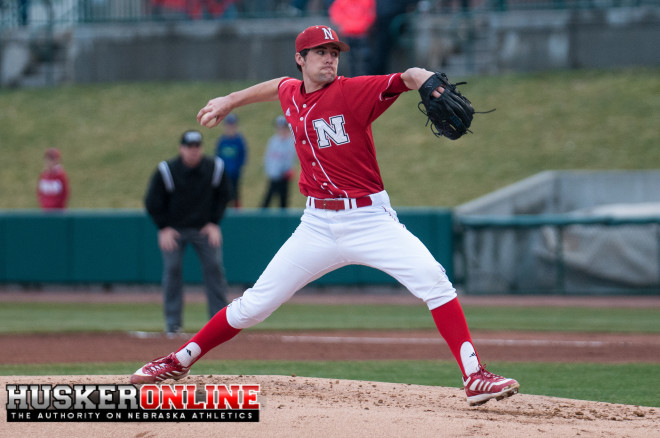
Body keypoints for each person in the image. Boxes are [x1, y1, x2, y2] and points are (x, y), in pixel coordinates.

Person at [131, 25, 519, 407]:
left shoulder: (352, 92)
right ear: (301, 59)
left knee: (435, 281)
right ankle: (178, 360)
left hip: (369, 220)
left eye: (334, 53)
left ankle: (474, 376)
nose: (330, 58)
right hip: (316, 225)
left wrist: (425, 79)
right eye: (321, 52)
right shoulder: (291, 94)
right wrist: (230, 100)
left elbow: (404, 78)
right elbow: (278, 85)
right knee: (254, 305)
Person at [144, 130, 232, 335]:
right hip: (174, 229)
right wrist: (163, 227)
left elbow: (225, 196)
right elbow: (152, 201)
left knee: (214, 268)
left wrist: (214, 223)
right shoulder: (166, 170)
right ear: (181, 148)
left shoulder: (215, 168)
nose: (193, 151)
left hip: (204, 228)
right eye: (189, 147)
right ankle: (173, 324)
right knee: (172, 270)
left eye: (196, 147)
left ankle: (220, 324)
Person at [261, 115, 296, 209]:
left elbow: (290, 159)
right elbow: (268, 158)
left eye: (283, 128)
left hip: (284, 177)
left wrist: (287, 170)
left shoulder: (290, 142)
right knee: (267, 200)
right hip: (273, 176)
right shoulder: (273, 141)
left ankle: (283, 223)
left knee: (283, 201)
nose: (281, 130)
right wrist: (270, 171)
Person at [215, 113, 247, 208]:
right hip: (224, 173)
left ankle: (236, 212)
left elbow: (242, 156)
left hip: (235, 173)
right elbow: (218, 156)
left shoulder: (239, 141)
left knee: (235, 193)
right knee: (223, 193)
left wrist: (238, 168)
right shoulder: (222, 141)